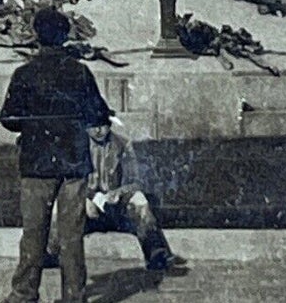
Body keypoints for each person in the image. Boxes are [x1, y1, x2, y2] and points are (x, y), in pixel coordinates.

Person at [0, 7, 112, 303]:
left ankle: (23, 293)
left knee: (33, 233)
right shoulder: (80, 72)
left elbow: (8, 119)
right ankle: (74, 295)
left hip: (36, 163)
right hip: (73, 161)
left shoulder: (24, 74)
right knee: (71, 235)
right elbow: (98, 114)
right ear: (65, 36)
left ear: (36, 35)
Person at [44, 117, 186, 280]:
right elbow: (68, 181)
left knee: (139, 200)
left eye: (102, 125)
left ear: (110, 124)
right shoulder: (76, 146)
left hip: (116, 205)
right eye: (93, 126)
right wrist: (88, 197)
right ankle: (50, 252)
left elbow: (136, 181)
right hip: (87, 201)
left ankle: (156, 254)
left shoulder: (123, 144)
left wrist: (119, 192)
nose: (98, 130)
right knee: (60, 206)